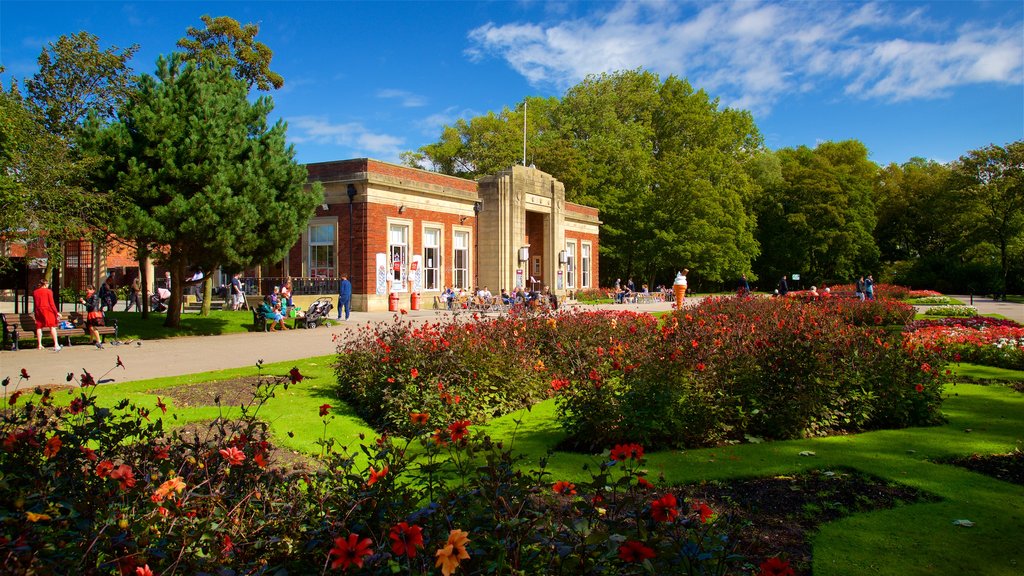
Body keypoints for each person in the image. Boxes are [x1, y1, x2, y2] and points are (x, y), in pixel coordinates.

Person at [32, 279, 62, 351]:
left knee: (39, 327)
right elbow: (52, 303)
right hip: (48, 310)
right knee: (52, 326)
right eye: (48, 284)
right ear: (45, 284)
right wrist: (56, 312)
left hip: (38, 310)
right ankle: (56, 344)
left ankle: (39, 344)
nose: (48, 285)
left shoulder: (35, 292)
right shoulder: (49, 291)